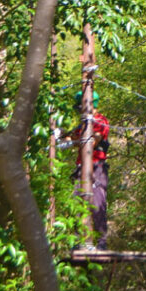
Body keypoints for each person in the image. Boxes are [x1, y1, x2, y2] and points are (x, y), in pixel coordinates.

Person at [59, 90, 110, 250]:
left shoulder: (100, 121)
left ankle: (101, 243)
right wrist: (60, 137)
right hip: (81, 168)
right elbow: (72, 138)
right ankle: (79, 241)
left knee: (97, 202)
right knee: (78, 202)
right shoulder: (83, 124)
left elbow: (92, 141)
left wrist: (75, 141)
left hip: (97, 167)